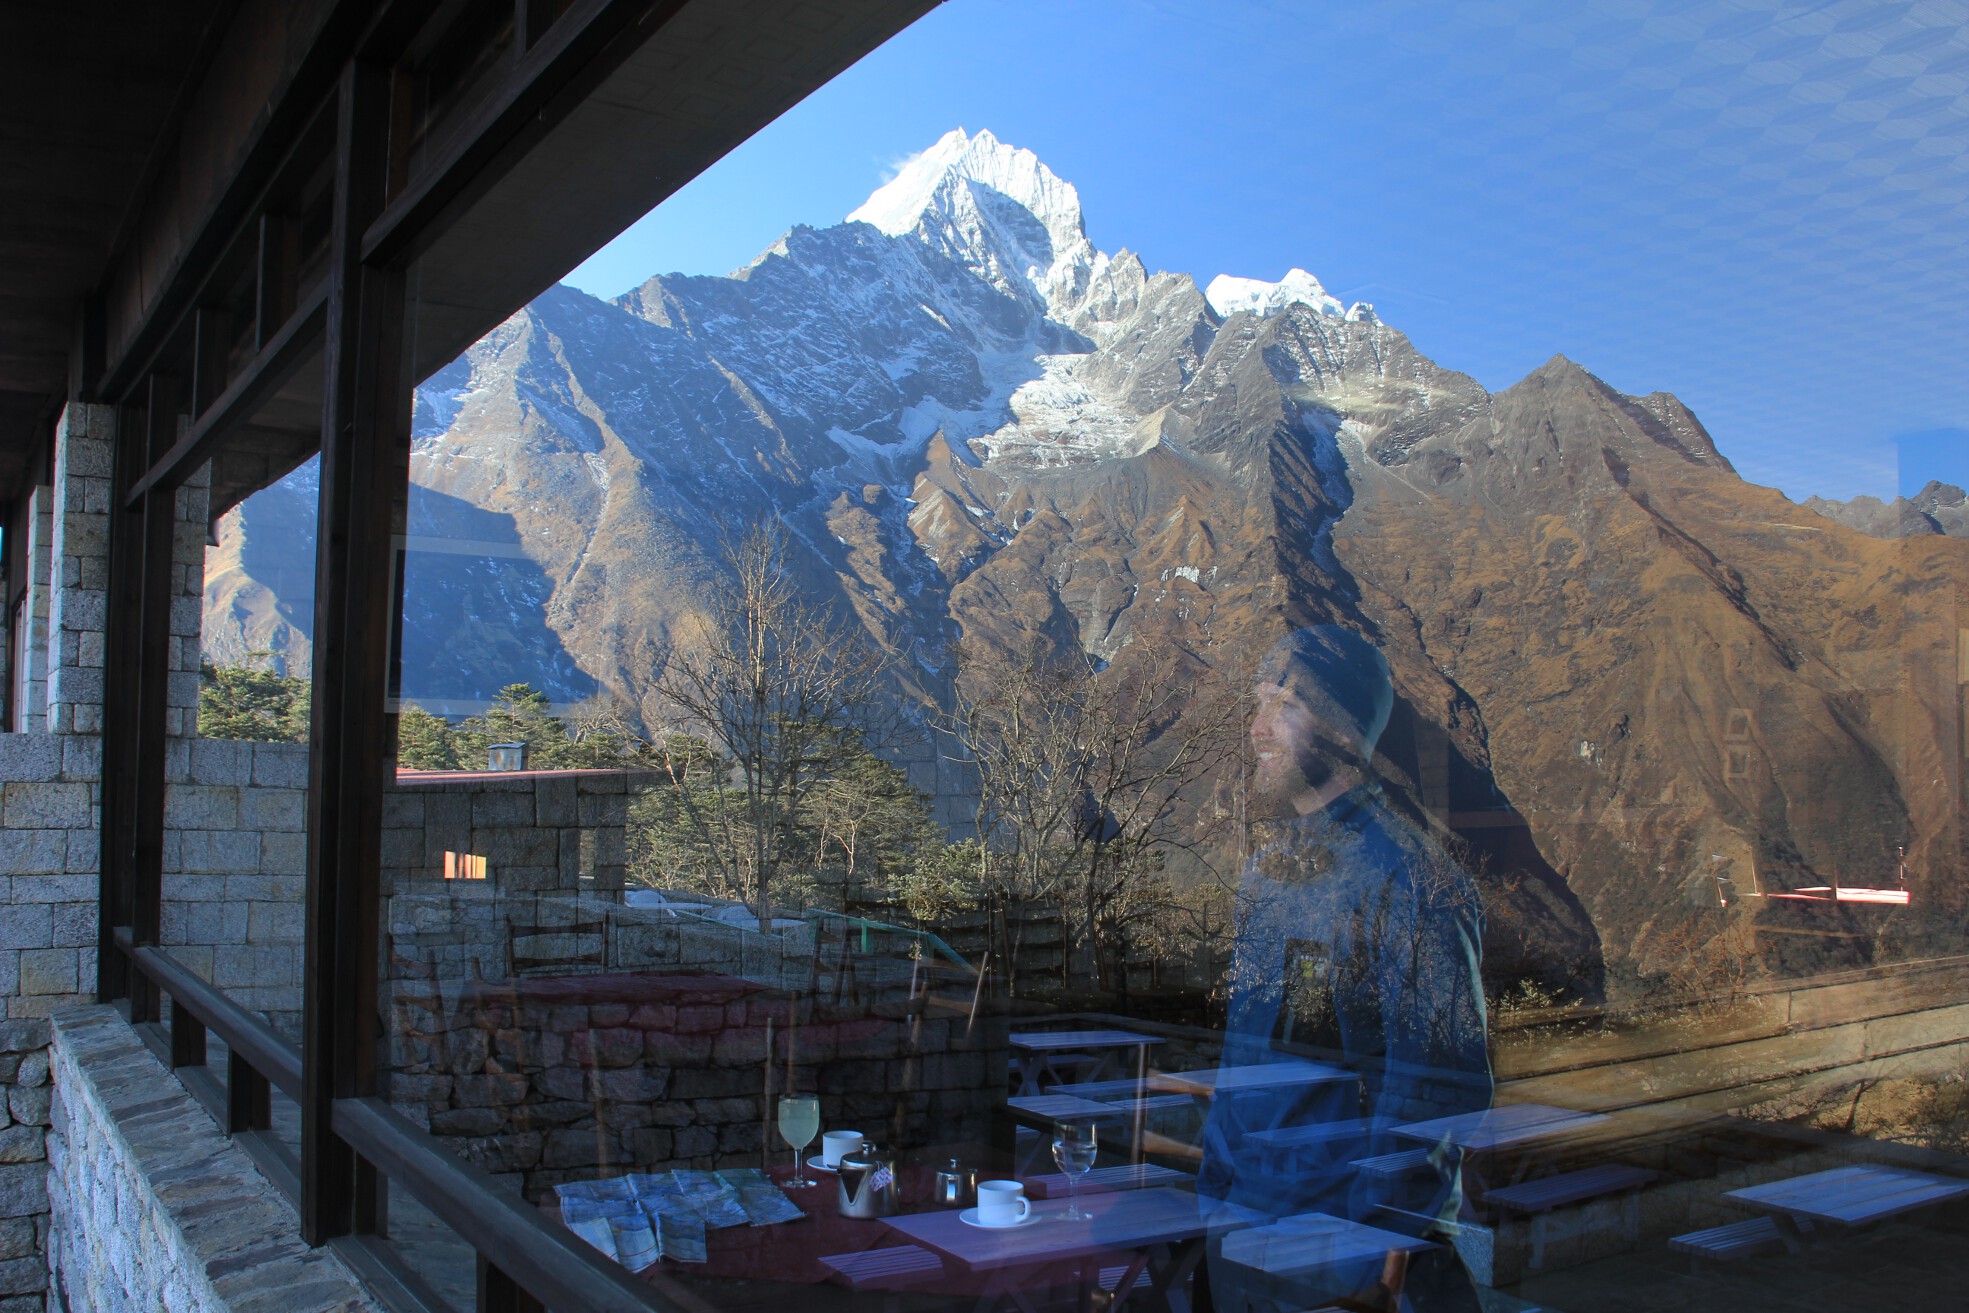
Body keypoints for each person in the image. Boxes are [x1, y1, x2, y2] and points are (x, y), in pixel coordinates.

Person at [1201, 626, 1491, 1311]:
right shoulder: (1264, 874)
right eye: (1258, 702)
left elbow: (1439, 1091)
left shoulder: (1411, 881)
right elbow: (1244, 1060)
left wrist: (1367, 1260)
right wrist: (1214, 1197)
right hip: (1244, 1233)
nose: (1257, 727)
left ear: (1343, 727)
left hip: (1337, 1260)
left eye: (1284, 705)